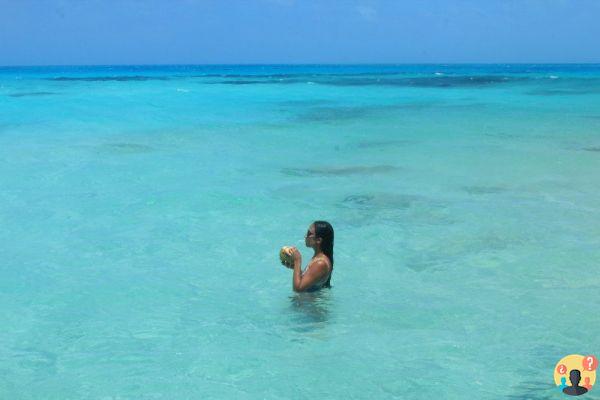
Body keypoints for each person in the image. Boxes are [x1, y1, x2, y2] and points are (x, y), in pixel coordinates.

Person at [282, 221, 334, 292]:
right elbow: (309, 282)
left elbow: (298, 289)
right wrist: (296, 268)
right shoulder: (318, 257)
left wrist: (297, 260)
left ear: (318, 240)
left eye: (309, 233)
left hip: (308, 303)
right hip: (307, 302)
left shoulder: (320, 263)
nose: (305, 236)